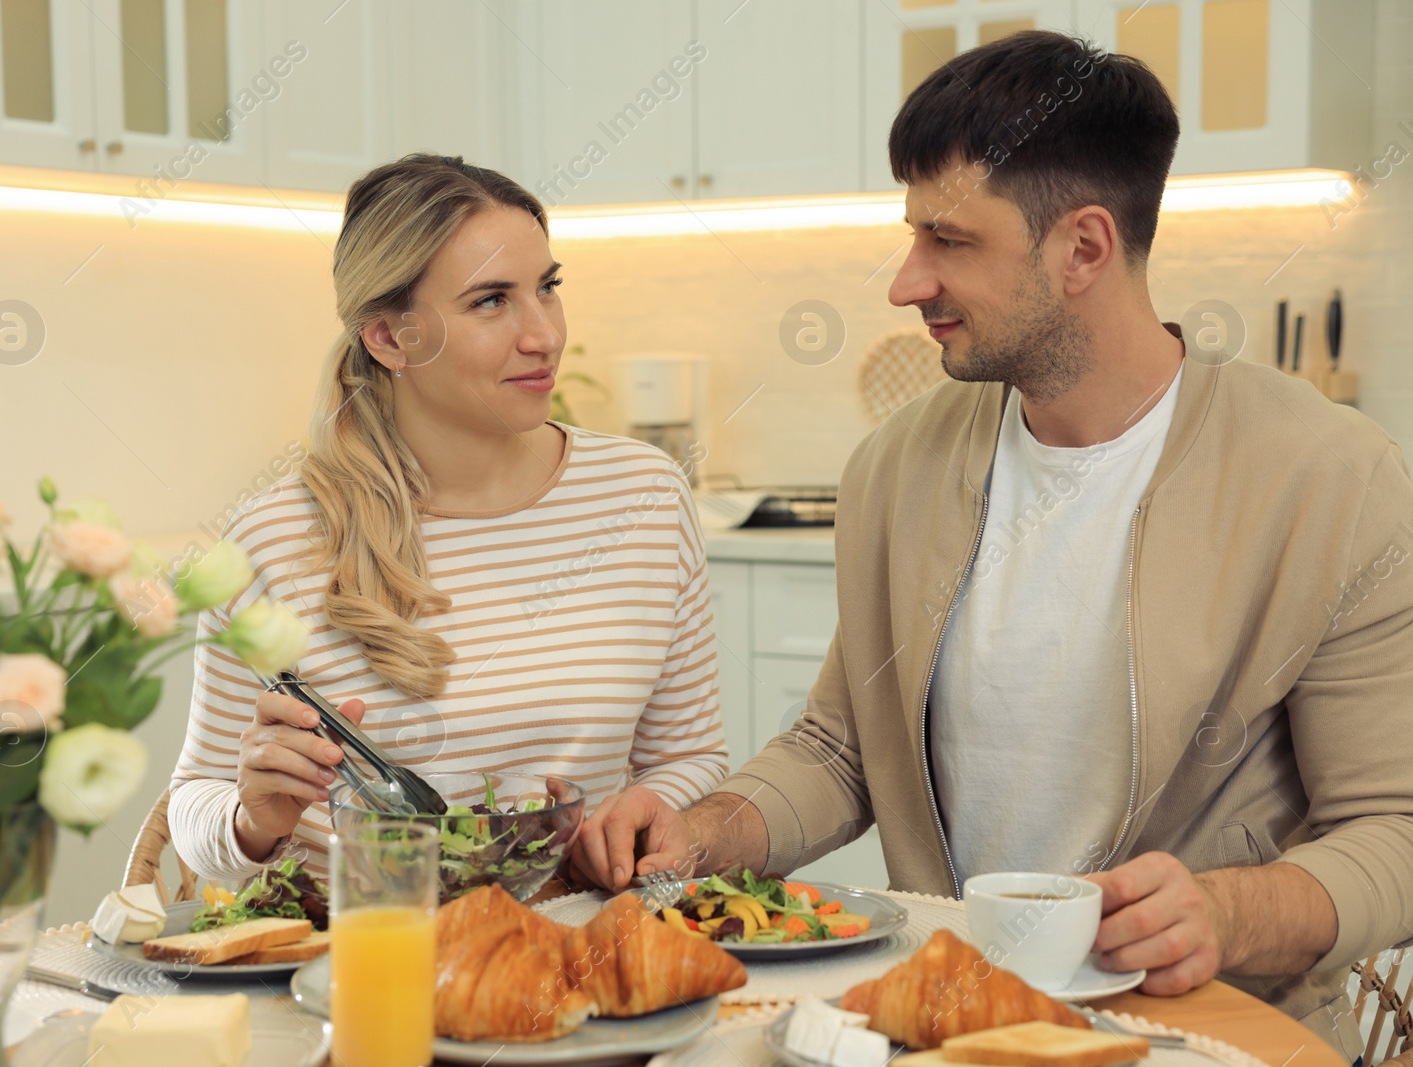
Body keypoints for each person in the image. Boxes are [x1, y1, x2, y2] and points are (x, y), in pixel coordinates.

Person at [569, 31, 1413, 1059]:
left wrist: (1230, 910)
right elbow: (840, 748)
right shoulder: (895, 467)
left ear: (1084, 250)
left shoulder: (1331, 478)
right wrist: (704, 828)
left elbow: (1394, 829)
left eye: (950, 242)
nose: (905, 281)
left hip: (1206, 1028)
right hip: (946, 1017)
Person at [168, 154, 728, 883]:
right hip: (359, 956)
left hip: (581, 944)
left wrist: (642, 810)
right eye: (491, 301)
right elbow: (192, 800)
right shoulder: (270, 541)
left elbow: (691, 755)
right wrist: (249, 819)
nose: (544, 335)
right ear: (389, 337)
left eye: (547, 289)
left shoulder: (645, 495)